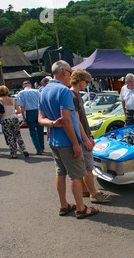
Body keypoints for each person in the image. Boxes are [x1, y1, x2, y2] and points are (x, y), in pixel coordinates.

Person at [38, 60, 98, 219]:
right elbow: (67, 120)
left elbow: (40, 119)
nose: (71, 76)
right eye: (70, 72)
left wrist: (51, 123)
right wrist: (75, 143)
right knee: (76, 176)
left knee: (60, 173)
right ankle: (81, 208)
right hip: (67, 142)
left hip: (53, 141)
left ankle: (64, 205)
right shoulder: (63, 91)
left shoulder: (43, 91)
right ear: (64, 71)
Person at [70, 69, 110, 203]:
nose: (87, 85)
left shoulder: (76, 96)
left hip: (84, 136)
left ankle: (85, 190)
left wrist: (89, 135)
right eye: (86, 82)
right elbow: (76, 121)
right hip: (82, 138)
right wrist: (86, 138)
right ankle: (93, 193)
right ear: (80, 81)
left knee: (84, 165)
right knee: (88, 167)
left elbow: (81, 119)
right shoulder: (74, 97)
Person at [0, 85, 29, 159]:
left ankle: (14, 153)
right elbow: (19, 111)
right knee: (18, 134)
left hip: (5, 119)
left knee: (9, 136)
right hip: (14, 118)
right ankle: (23, 148)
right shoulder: (13, 100)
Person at [17, 80, 45, 155]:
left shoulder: (21, 93)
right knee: (40, 130)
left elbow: (21, 107)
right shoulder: (36, 91)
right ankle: (42, 147)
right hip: (38, 111)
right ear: (30, 84)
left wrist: (23, 117)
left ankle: (38, 148)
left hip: (29, 112)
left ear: (23, 86)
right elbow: (41, 102)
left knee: (33, 131)